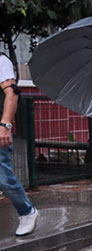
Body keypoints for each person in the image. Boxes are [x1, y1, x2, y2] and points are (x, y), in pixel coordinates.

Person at [0, 53, 39, 237]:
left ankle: (27, 211)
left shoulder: (1, 61)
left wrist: (5, 125)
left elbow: (12, 93)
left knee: (3, 177)